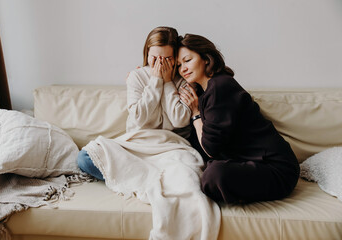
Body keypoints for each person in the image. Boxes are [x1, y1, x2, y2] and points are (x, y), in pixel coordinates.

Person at [178, 33, 300, 204]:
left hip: (276, 169)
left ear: (206, 58)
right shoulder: (205, 92)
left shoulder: (220, 86)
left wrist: (195, 114)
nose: (182, 68)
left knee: (214, 176)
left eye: (187, 60)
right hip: (247, 164)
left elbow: (210, 148)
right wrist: (147, 74)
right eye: (178, 65)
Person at [77, 26, 191, 180]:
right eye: (155, 58)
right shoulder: (136, 76)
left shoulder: (184, 79)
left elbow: (179, 120)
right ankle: (148, 177)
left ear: (175, 57)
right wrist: (156, 81)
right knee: (85, 158)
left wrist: (168, 82)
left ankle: (143, 176)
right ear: (147, 53)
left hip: (170, 147)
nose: (160, 64)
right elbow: (139, 118)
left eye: (167, 59)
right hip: (138, 144)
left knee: (189, 170)